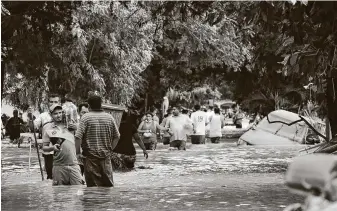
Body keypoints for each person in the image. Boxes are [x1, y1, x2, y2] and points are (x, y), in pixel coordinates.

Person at [75, 95, 120, 187]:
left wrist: (78, 153)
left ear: (89, 106)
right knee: (108, 186)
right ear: (101, 105)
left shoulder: (85, 118)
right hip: (106, 157)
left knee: (93, 188)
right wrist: (110, 149)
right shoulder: (109, 117)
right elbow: (117, 136)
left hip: (90, 158)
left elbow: (78, 137)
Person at [42, 104, 83, 186]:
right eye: (55, 113)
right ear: (51, 115)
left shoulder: (71, 125)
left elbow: (84, 138)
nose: (58, 115)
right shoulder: (48, 128)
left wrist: (77, 128)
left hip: (74, 164)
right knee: (59, 194)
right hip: (58, 166)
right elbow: (44, 148)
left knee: (78, 192)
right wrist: (52, 148)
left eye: (60, 113)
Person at [30, 93, 61, 180]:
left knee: (63, 176)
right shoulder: (43, 116)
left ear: (59, 102)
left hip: (62, 151)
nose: (53, 103)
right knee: (50, 177)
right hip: (49, 151)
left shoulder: (64, 114)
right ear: (48, 103)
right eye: (51, 102)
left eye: (56, 101)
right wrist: (30, 117)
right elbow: (33, 127)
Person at [77, 103, 89, 175]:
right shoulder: (74, 125)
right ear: (79, 113)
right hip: (77, 158)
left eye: (87, 113)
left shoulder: (91, 124)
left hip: (89, 157)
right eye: (83, 112)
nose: (85, 115)